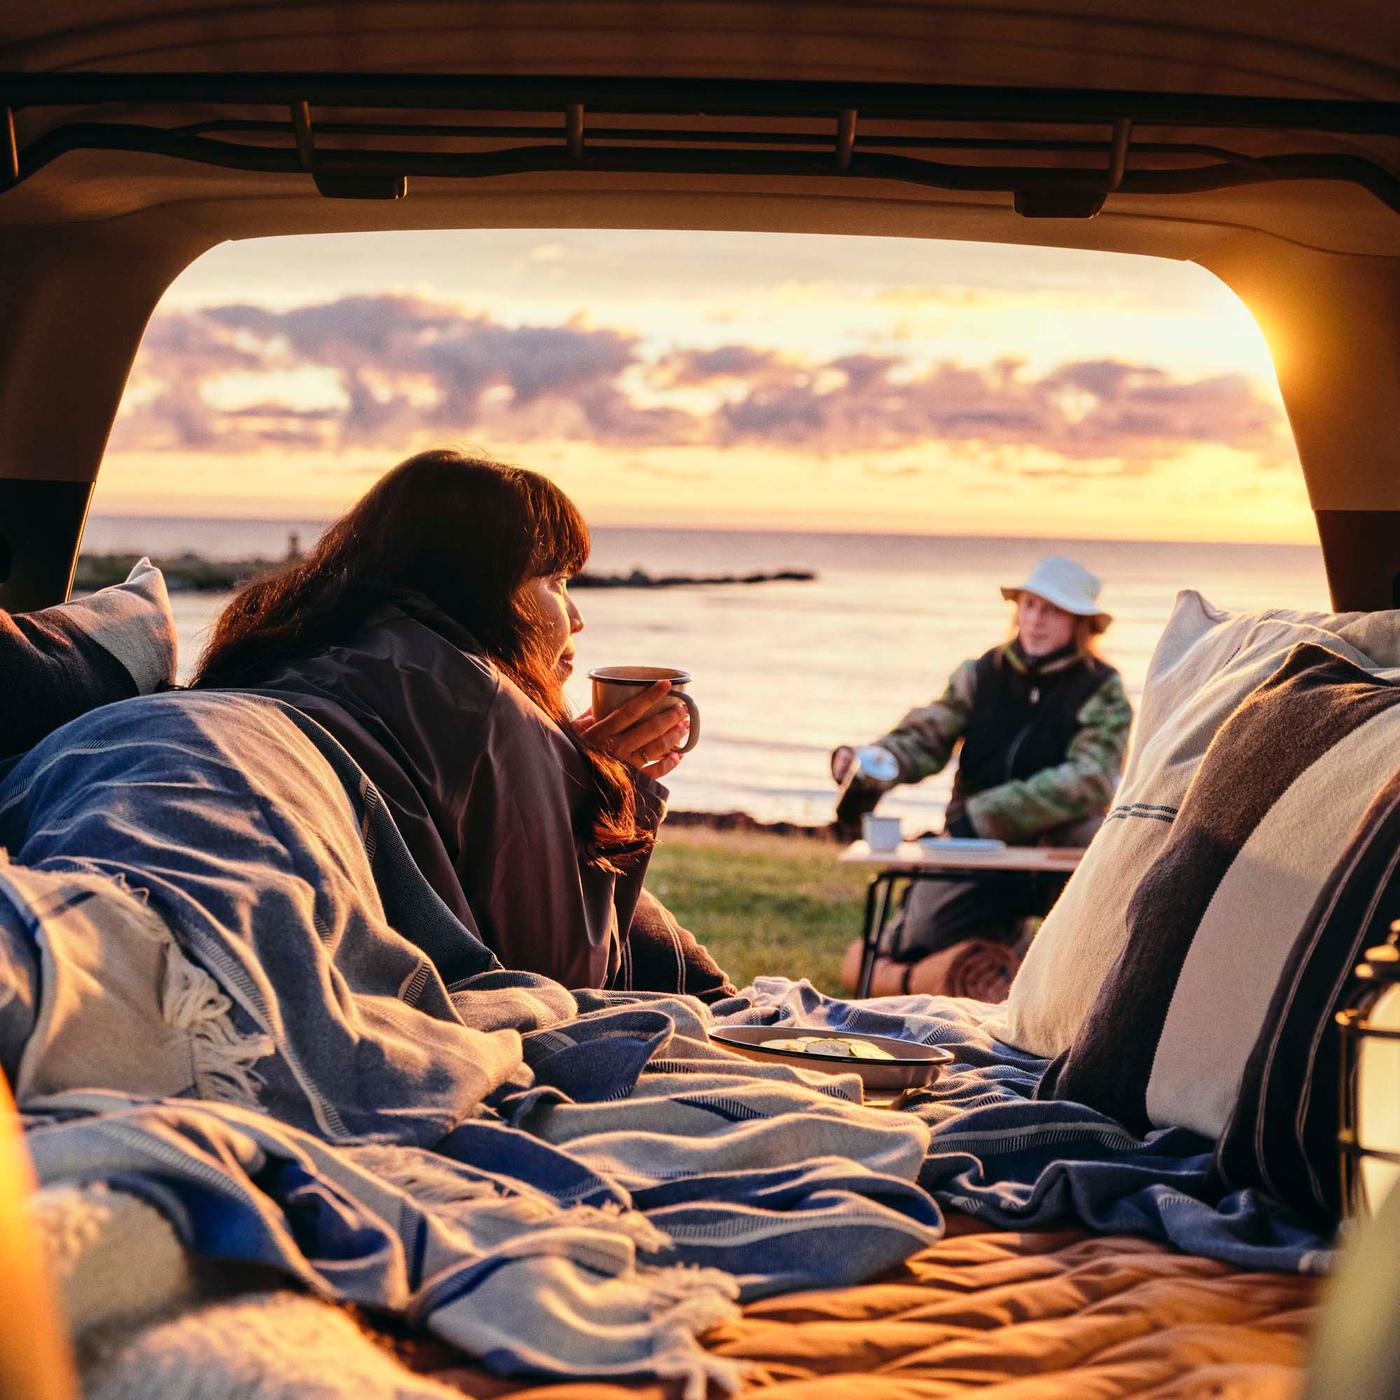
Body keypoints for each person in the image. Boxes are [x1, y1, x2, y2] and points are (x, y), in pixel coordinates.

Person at [192, 449, 735, 1000]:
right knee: (687, 971)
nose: (576, 618)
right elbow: (561, 981)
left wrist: (564, 774)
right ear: (476, 588)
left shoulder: (285, 647)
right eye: (555, 581)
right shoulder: (481, 699)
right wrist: (607, 786)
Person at [831, 555, 1132, 997]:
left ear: (1080, 623)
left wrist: (990, 814)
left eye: (1051, 610)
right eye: (1029, 605)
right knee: (918, 943)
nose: (1035, 619)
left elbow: (1091, 778)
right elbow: (926, 737)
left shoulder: (1103, 689)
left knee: (1101, 908)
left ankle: (1079, 985)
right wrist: (871, 762)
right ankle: (1007, 943)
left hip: (1053, 847)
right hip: (972, 844)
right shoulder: (979, 673)